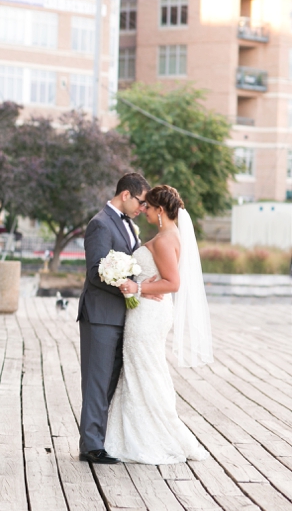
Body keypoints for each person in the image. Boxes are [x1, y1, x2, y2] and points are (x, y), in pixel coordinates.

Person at [105, 185, 212, 464]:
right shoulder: (169, 235)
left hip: (149, 315)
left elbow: (173, 283)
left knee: (145, 370)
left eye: (149, 208)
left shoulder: (165, 239)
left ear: (160, 210)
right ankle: (137, 432)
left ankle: (154, 435)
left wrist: (135, 287)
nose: (145, 211)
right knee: (143, 370)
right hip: (149, 311)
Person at [76, 173, 152, 464]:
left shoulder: (129, 226)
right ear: (126, 195)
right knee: (96, 381)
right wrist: (123, 284)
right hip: (100, 316)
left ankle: (101, 439)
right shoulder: (100, 223)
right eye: (141, 202)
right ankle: (91, 446)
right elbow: (96, 271)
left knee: (110, 382)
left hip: (122, 316)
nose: (142, 209)